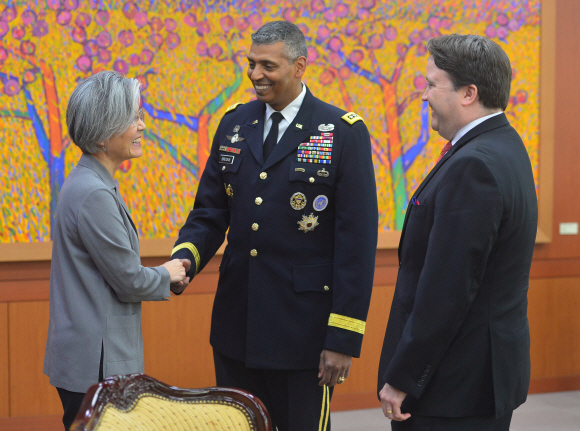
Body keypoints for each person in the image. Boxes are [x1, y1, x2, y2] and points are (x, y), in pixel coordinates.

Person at [170, 21, 378, 431]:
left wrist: (342, 339)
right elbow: (209, 213)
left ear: (299, 67)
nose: (255, 75)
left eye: (268, 65)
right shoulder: (234, 123)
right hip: (237, 325)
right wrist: (183, 261)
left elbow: (355, 245)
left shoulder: (340, 132)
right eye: (251, 64)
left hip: (304, 333)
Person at [377, 34, 538, 430]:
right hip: (477, 376)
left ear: (469, 93)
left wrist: (403, 377)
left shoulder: (474, 166)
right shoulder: (504, 143)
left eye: (431, 85)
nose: (424, 96)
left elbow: (447, 288)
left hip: (452, 386)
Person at [43, 71, 189, 431]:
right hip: (96, 362)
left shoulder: (89, 183)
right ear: (104, 132)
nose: (142, 127)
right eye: (133, 119)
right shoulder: (93, 193)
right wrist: (167, 273)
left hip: (90, 357)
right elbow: (128, 280)